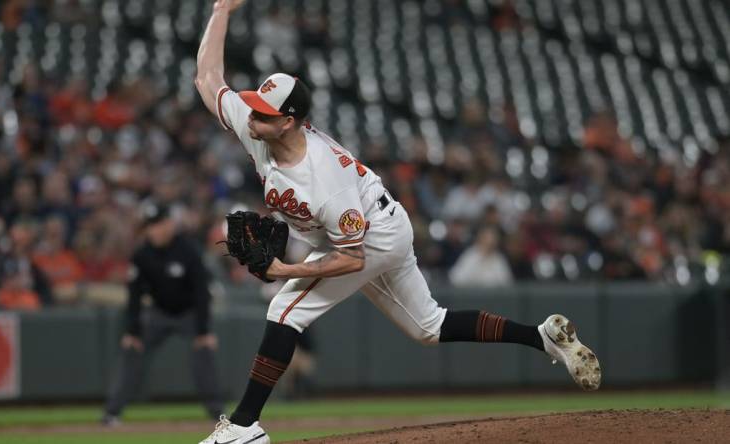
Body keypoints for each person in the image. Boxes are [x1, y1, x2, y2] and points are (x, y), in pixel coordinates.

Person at [193, 1, 601, 442]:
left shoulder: (324, 179)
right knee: (430, 326)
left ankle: (243, 427)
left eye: (261, 113)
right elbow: (207, 79)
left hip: (372, 235)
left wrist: (288, 270)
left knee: (284, 309)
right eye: (251, 107)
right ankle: (542, 337)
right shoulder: (260, 130)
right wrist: (221, 10)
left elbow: (351, 258)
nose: (249, 116)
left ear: (289, 122)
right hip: (373, 223)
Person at [102, 201, 223, 425]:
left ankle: (218, 414)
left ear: (169, 224)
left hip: (189, 313)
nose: (154, 229)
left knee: (203, 355)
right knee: (132, 352)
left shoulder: (188, 250)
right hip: (158, 313)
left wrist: (204, 330)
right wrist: (133, 331)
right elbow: (134, 296)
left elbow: (201, 292)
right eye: (150, 225)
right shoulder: (142, 255)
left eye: (158, 223)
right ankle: (112, 413)